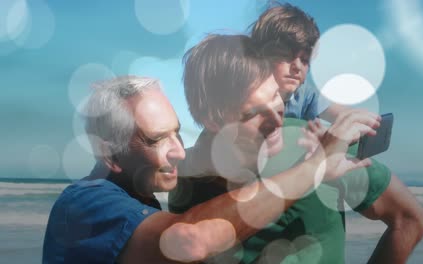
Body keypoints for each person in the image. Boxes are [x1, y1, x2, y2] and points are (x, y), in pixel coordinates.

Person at [42, 74, 376, 262]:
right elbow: (190, 240)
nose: (177, 151)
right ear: (110, 155)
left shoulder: (138, 198)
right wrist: (312, 168)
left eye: (177, 132)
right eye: (158, 139)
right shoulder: (85, 203)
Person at [169, 32, 423, 263]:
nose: (276, 120)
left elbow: (409, 219)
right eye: (255, 113)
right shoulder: (188, 180)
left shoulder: (311, 142)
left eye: (275, 97)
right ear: (213, 120)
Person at [249, 3, 423, 263]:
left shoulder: (303, 94)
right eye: (286, 55)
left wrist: (355, 127)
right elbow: (412, 220)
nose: (297, 66)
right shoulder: (245, 110)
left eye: (305, 59)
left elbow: (340, 113)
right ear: (260, 55)